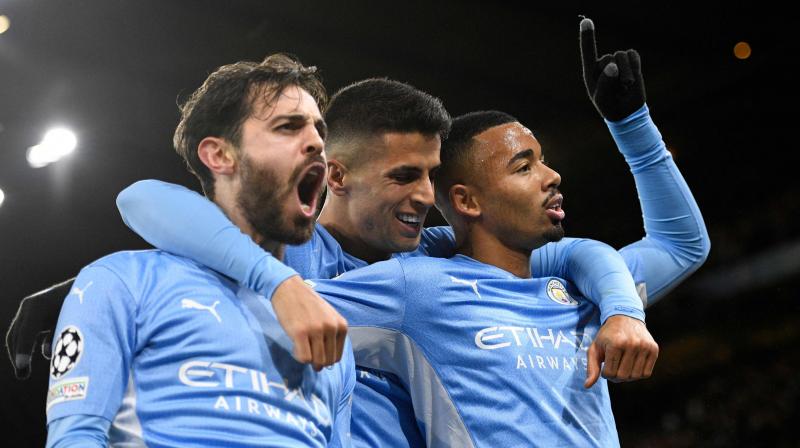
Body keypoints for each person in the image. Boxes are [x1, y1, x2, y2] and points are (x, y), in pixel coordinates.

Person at [7, 17, 709, 446]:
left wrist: (632, 136)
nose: (428, 198)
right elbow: (167, 216)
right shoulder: (301, 257)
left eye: (434, 176)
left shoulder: (440, 258)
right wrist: (86, 287)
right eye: (405, 177)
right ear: (335, 175)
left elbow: (643, 249)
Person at [44, 54, 354, 447]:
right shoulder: (123, 282)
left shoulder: (327, 331)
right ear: (220, 155)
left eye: (319, 130)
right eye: (288, 127)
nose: (317, 143)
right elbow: (76, 439)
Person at [309, 108, 656, 446]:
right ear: (467, 201)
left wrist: (626, 313)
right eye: (524, 167)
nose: (551, 175)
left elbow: (683, 247)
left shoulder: (586, 293)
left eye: (542, 160)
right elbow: (272, 311)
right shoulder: (415, 286)